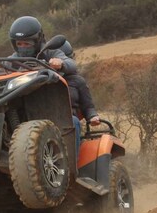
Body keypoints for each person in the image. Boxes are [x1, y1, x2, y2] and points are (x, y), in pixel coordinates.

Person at [7, 16, 100, 155]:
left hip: (60, 116)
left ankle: (69, 169)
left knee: (73, 122)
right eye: (20, 44)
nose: (23, 47)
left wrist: (60, 63)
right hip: (28, 115)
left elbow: (71, 64)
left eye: (27, 43)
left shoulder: (51, 53)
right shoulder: (12, 60)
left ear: (38, 40)